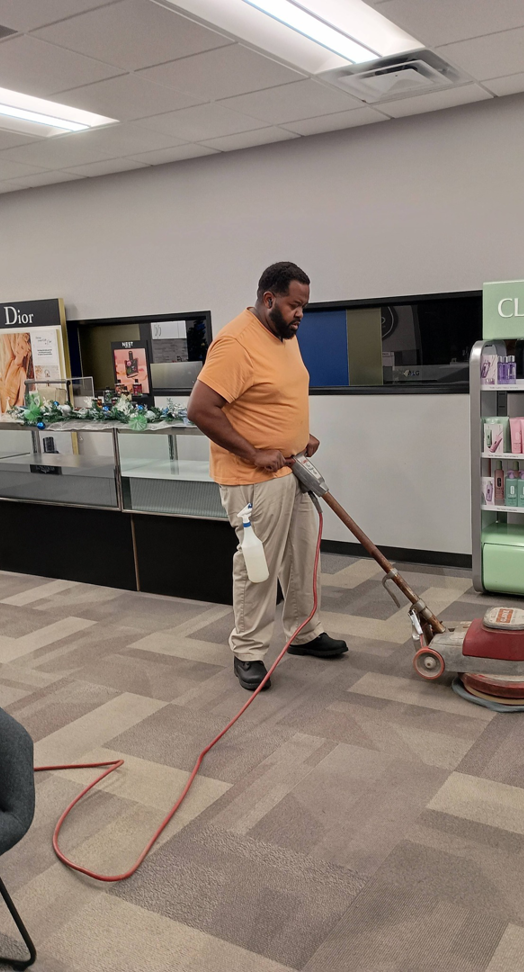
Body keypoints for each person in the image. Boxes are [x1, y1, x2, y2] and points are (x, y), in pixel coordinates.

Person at [187, 262, 348, 691]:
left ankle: (303, 632)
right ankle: (248, 650)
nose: (300, 314)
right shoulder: (236, 343)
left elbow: (274, 397)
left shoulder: (283, 336)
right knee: (258, 566)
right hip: (252, 478)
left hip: (292, 468)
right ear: (269, 299)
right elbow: (200, 410)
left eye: (305, 307)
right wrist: (254, 452)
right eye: (295, 305)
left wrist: (300, 435)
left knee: (301, 555)